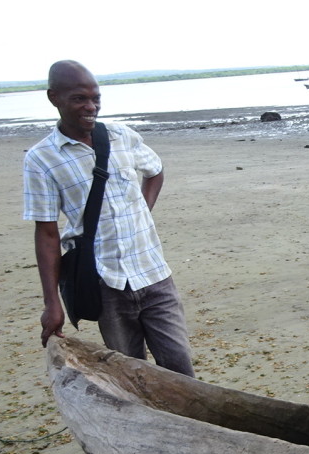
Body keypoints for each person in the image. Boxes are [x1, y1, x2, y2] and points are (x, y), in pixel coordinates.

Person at [23, 60, 195, 376]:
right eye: (79, 99)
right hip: (106, 284)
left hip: (154, 274)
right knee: (130, 374)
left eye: (96, 98)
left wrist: (142, 211)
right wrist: (52, 304)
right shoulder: (41, 158)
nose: (91, 107)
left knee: (181, 368)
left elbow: (155, 172)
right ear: (54, 98)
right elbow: (46, 233)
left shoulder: (121, 137)